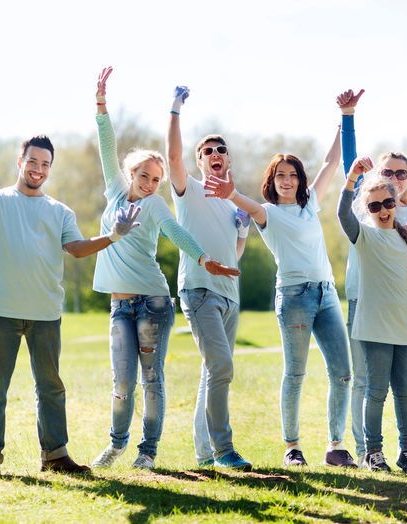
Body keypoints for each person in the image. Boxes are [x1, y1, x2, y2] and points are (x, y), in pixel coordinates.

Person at [0, 137, 139, 479]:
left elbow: (77, 248)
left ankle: (55, 455)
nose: (39, 169)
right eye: (33, 161)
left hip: (45, 312)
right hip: (0, 308)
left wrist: (113, 236)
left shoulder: (60, 211)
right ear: (20, 162)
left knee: (51, 387)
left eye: (45, 164)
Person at [88, 67, 240, 471]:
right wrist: (101, 104)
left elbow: (175, 231)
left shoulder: (155, 204)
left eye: (157, 179)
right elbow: (107, 145)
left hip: (153, 302)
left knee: (151, 380)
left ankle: (148, 451)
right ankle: (116, 445)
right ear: (131, 174)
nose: (151, 183)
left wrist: (203, 258)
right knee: (122, 382)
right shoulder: (115, 191)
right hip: (120, 305)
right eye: (145, 176)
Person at [204, 120, 356, 468]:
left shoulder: (310, 203)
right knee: (296, 374)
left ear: (300, 180)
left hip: (327, 294)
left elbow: (331, 162)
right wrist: (230, 193)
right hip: (294, 297)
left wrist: (344, 119)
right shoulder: (267, 213)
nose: (287, 181)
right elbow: (245, 203)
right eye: (280, 176)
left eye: (293, 175)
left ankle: (335, 446)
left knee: (343, 373)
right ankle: (292, 447)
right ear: (271, 181)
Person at [338, 89, 407, 467]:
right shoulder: (365, 221)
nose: (383, 207)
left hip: (402, 315)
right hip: (367, 310)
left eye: (400, 173)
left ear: (405, 184)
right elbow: (346, 204)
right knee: (370, 387)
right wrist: (348, 117)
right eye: (387, 171)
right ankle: (370, 451)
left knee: (405, 388)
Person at [166, 85, 253, 471]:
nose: (215, 154)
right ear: (199, 161)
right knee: (221, 367)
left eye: (221, 150)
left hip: (230, 296)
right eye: (207, 151)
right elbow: (172, 157)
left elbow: (234, 255)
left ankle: (203, 453)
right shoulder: (189, 190)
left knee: (212, 371)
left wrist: (243, 231)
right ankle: (223, 450)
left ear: (228, 160)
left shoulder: (234, 202)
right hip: (200, 291)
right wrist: (175, 109)